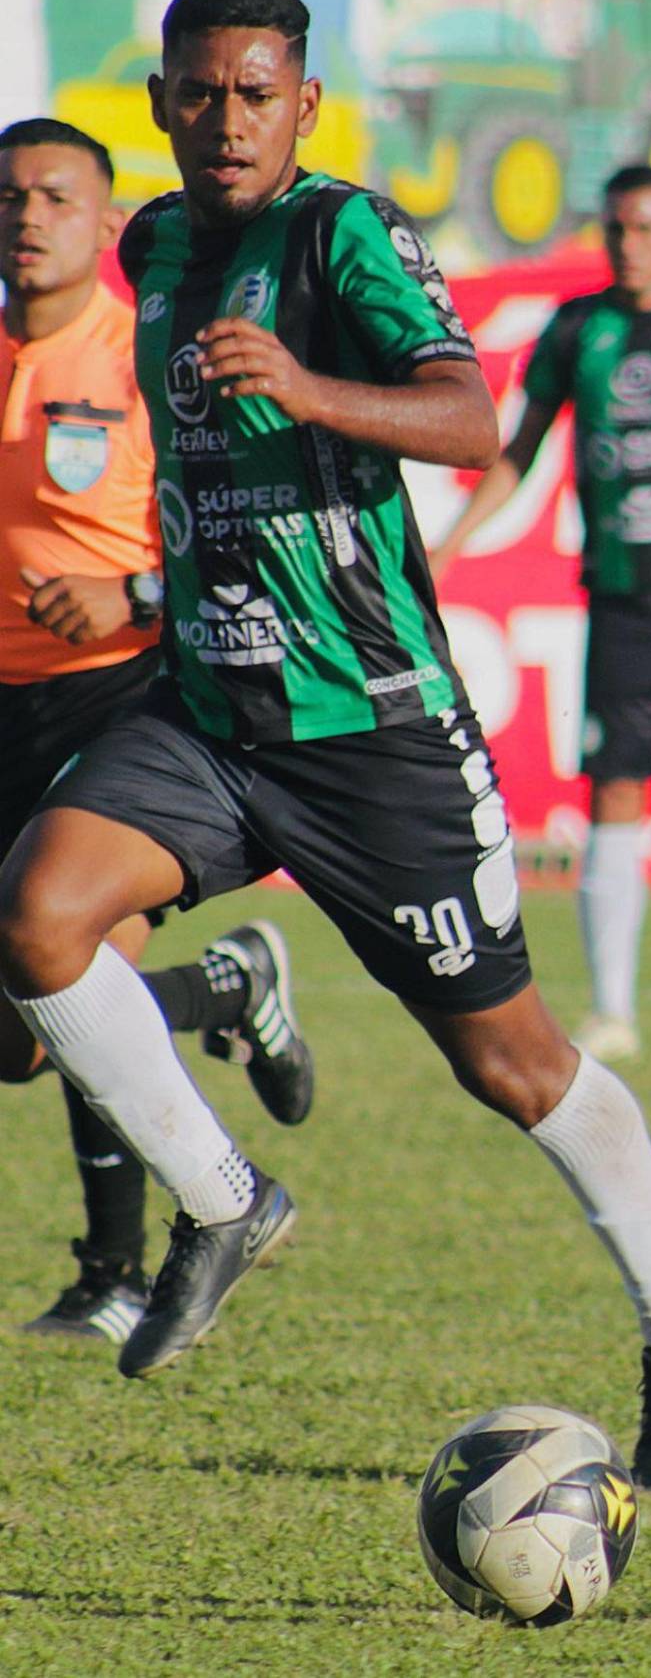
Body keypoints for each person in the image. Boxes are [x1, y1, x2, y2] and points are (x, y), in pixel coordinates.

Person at [0, 0, 651, 1498]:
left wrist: (308, 386)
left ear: (304, 104)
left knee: (516, 1065)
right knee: (36, 912)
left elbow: (471, 421)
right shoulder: (151, 245)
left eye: (255, 91)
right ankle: (222, 1201)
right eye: (199, 91)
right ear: (159, 101)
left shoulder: (345, 235)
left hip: (373, 729)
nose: (225, 118)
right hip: (211, 711)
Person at [0, 116, 314, 1344]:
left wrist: (128, 595)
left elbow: (235, 529)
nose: (28, 216)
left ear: (105, 215)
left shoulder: (144, 352)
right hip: (7, 701)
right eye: (11, 195)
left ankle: (114, 1271)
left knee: (63, 944)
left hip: (124, 693)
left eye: (55, 196)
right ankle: (227, 985)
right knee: (19, 1041)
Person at [430, 165, 651, 1060]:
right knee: (615, 792)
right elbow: (518, 451)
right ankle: (613, 1008)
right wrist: (449, 544)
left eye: (646, 228)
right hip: (622, 600)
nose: (630, 245)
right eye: (617, 229)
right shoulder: (577, 328)